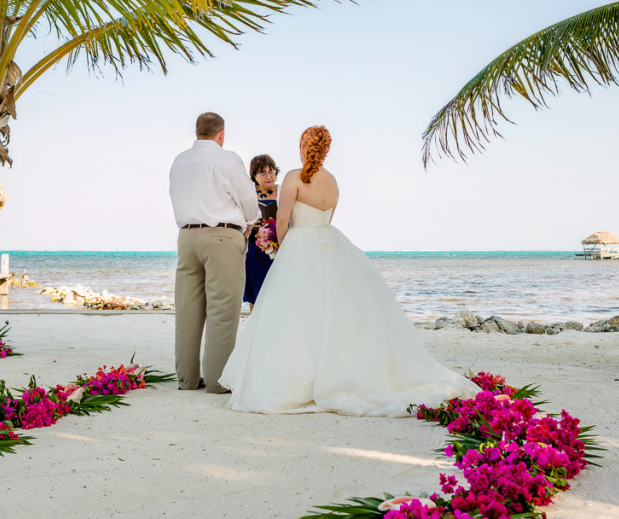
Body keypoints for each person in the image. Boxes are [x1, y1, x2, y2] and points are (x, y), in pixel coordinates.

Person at [220, 126, 479, 415]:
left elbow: (282, 220)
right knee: (332, 313)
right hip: (329, 244)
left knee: (296, 312)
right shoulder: (333, 182)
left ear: (303, 147)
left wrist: (280, 248)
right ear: (326, 150)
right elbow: (328, 218)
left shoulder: (293, 177)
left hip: (299, 246)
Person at [169, 112, 260, 393]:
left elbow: (174, 194)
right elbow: (249, 202)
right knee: (222, 310)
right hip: (222, 236)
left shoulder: (179, 161)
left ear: (197, 132)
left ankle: (186, 379)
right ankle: (217, 381)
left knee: (187, 310)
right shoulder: (228, 159)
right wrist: (249, 224)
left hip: (187, 237)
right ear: (221, 135)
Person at [244, 154, 280, 311]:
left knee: (276, 293)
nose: (269, 176)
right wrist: (250, 224)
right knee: (256, 296)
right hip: (254, 250)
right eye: (263, 173)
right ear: (254, 176)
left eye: (272, 172)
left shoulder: (283, 192)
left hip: (278, 249)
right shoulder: (248, 194)